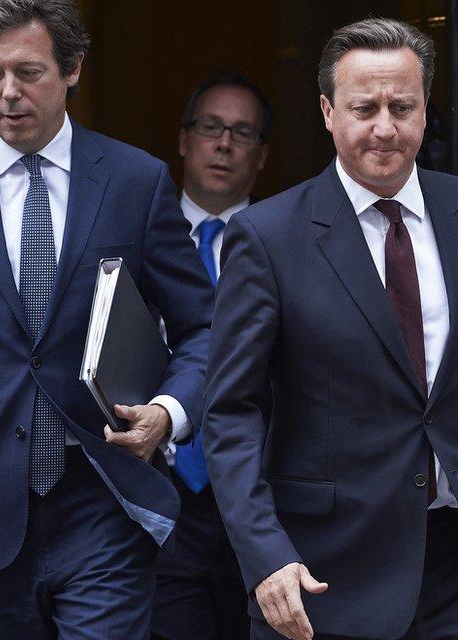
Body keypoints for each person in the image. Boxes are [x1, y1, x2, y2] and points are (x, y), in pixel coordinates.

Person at [204, 17, 458, 640]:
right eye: (365, 108)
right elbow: (230, 412)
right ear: (329, 112)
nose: (384, 127)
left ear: (423, 111)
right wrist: (265, 553)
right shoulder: (267, 238)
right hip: (323, 577)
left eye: (402, 107)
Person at [0, 1, 214, 638]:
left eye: (28, 72)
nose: (8, 93)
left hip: (102, 499)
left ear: (73, 69)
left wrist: (168, 411)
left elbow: (205, 328)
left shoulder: (136, 181)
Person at [151, 71, 271, 640]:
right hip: (165, 493)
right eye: (211, 127)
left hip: (262, 496)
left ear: (263, 155)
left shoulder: (285, 240)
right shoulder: (136, 234)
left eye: (242, 133)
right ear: (183, 139)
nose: (224, 144)